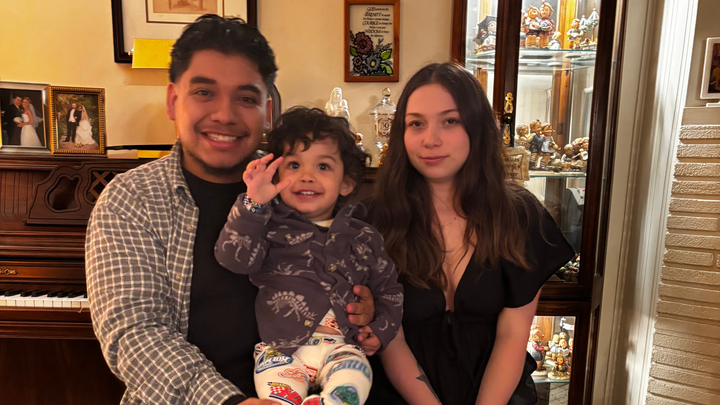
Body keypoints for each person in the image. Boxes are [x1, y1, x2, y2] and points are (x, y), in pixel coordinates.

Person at [85, 15, 377, 405]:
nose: (224, 114)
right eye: (204, 92)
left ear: (266, 111)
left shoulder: (298, 184)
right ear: (173, 100)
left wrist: (361, 304)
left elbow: (350, 257)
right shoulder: (131, 200)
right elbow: (135, 334)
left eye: (246, 98)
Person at [366, 63, 575, 405]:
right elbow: (392, 338)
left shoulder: (519, 215)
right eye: (416, 123)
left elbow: (512, 334)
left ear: (476, 128)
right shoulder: (376, 220)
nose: (430, 139)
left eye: (450, 121)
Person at [214, 107, 405, 405]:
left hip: (344, 349)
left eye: (323, 166)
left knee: (355, 380)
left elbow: (388, 289)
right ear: (276, 175)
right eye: (294, 165)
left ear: (346, 183)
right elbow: (233, 258)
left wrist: (381, 329)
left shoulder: (363, 236)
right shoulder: (267, 226)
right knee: (276, 397)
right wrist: (254, 203)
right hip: (280, 350)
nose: (306, 176)